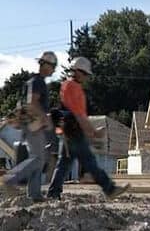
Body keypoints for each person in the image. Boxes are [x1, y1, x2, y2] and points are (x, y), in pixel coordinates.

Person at [47, 57, 129, 200]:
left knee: (63, 165)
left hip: (68, 132)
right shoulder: (73, 88)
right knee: (90, 163)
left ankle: (53, 194)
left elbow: (78, 114)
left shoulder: (68, 85)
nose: (86, 77)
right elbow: (79, 115)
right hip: (74, 133)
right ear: (78, 72)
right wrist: (94, 132)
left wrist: (90, 132)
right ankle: (110, 189)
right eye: (85, 74)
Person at [1, 51, 58, 201]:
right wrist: (45, 119)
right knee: (37, 159)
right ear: (45, 65)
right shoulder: (37, 82)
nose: (54, 70)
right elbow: (32, 102)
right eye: (53, 66)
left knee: (38, 159)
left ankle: (35, 194)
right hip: (34, 124)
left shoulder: (31, 81)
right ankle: (10, 179)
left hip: (29, 123)